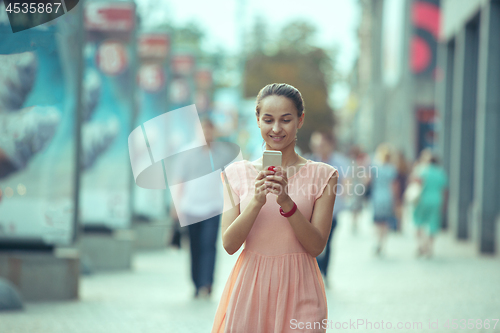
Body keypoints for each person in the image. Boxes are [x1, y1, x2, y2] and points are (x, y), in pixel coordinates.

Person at [212, 83, 338, 333]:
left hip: (302, 288)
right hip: (251, 288)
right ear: (257, 120)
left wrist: (287, 203)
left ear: (300, 120)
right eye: (268, 120)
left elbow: (316, 246)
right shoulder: (236, 174)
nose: (277, 128)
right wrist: (257, 201)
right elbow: (229, 244)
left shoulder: (324, 176)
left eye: (286, 120)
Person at [170, 117, 231, 299]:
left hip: (213, 207)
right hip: (190, 208)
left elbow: (228, 181)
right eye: (203, 130)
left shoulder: (222, 153)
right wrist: (176, 206)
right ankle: (196, 283)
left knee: (209, 245)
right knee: (195, 247)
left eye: (210, 130)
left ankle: (207, 283)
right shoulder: (186, 153)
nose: (207, 134)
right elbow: (178, 181)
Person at [309, 130, 350, 287]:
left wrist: (342, 196)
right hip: (312, 211)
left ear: (330, 145)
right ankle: (316, 272)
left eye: (322, 144)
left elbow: (346, 182)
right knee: (312, 242)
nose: (319, 147)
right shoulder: (311, 161)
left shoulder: (339, 161)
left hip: (332, 211)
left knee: (327, 242)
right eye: (316, 145)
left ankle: (324, 272)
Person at [412, 153, 448, 258]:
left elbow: (416, 185)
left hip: (421, 200)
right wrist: (444, 204)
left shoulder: (422, 171)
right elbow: (444, 190)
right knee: (433, 224)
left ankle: (420, 245)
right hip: (436, 201)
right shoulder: (441, 173)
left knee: (418, 222)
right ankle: (429, 248)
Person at [369, 144, 398, 256]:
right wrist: (395, 200)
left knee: (377, 221)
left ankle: (377, 241)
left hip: (376, 196)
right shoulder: (391, 169)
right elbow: (393, 186)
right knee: (385, 222)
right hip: (387, 197)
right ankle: (382, 243)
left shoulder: (375, 168)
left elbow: (368, 181)